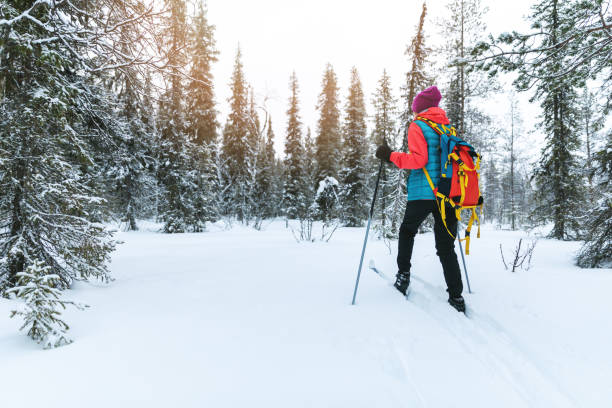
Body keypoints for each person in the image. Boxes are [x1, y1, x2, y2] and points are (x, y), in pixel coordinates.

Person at [375, 86, 465, 312]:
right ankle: (457, 297)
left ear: (420, 108)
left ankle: (403, 276)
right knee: (446, 246)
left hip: (423, 193)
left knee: (407, 231)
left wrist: (390, 156)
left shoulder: (418, 125)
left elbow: (418, 160)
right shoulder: (448, 127)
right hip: (448, 193)